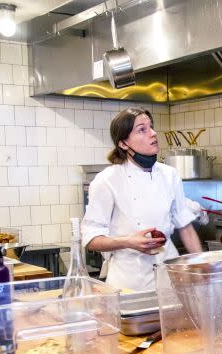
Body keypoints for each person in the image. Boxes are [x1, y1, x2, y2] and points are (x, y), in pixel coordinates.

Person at [81, 107, 203, 291]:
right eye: (142, 129)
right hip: (129, 282)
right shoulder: (107, 180)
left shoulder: (169, 175)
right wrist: (128, 241)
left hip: (170, 278)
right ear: (123, 143)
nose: (153, 133)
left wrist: (203, 268)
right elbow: (91, 238)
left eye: (151, 127)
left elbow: (185, 226)